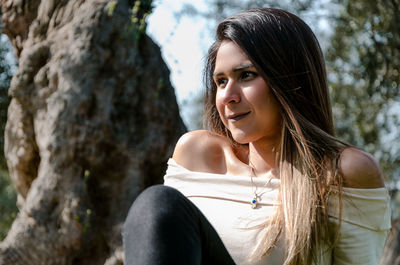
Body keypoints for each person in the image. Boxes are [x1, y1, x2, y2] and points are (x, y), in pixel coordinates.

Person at [122, 8, 391, 265]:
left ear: (287, 80)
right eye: (221, 81)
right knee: (156, 206)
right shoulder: (198, 156)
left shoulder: (342, 172)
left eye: (246, 75)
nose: (228, 96)